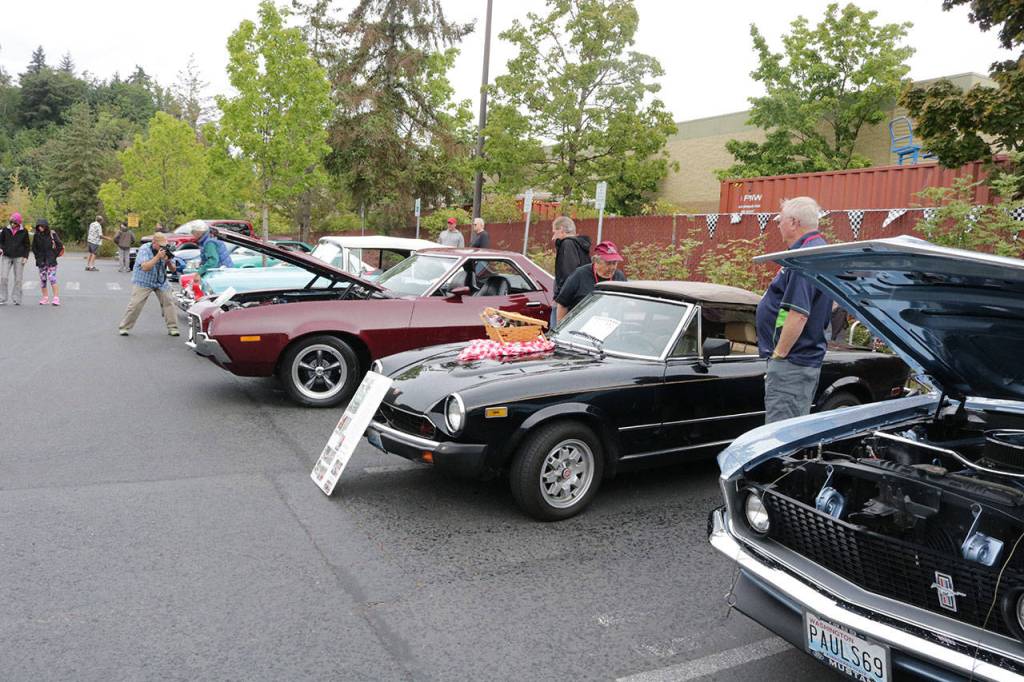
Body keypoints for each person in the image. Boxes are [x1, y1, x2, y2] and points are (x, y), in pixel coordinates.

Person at [756, 196, 832, 424]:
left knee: (780, 435)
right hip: (800, 361)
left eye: (780, 220)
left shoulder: (804, 258)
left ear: (793, 222)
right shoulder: (819, 250)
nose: (777, 225)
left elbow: (798, 314)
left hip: (792, 363)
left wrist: (779, 355)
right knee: (790, 428)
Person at [117, 232, 178, 336]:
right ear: (154, 243)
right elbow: (145, 267)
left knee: (169, 301)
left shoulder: (166, 250)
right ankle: (124, 327)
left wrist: (168, 261)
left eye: (164, 245)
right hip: (143, 280)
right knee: (136, 304)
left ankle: (173, 327)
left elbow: (173, 270)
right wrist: (158, 257)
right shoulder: (144, 249)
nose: (163, 248)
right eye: (161, 246)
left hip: (160, 280)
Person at [555, 240, 626, 321]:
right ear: (596, 261)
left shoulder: (619, 277)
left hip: (609, 324)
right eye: (608, 263)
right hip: (580, 325)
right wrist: (560, 328)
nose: (612, 268)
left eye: (614, 263)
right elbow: (562, 304)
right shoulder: (579, 275)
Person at [551, 216, 591, 327]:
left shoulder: (567, 244)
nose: (553, 237)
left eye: (555, 232)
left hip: (567, 302)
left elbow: (567, 275)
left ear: (562, 230)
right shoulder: (580, 246)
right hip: (580, 299)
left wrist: (559, 298)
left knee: (556, 333)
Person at [0, 212, 31, 305]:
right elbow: (1, 242)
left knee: (18, 279)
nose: (12, 224)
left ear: (19, 223)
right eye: (11, 222)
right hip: (6, 256)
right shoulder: (5, 230)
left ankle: (17, 298)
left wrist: (26, 257)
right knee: (4, 277)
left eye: (15, 223)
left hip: (19, 257)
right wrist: (1, 248)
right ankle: (2, 298)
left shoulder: (24, 231)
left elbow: (27, 245)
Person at [30, 218, 62, 306]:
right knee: (43, 280)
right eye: (38, 226)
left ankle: (56, 298)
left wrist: (54, 255)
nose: (40, 228)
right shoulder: (36, 235)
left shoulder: (52, 234)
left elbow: (59, 245)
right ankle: (45, 298)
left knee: (52, 278)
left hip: (51, 261)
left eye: (42, 226)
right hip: (41, 261)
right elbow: (34, 248)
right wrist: (38, 258)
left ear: (46, 226)